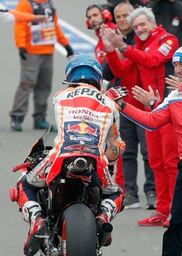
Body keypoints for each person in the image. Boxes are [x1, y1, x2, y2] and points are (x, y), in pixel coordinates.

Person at [107, 40, 182, 255]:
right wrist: (122, 105)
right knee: (176, 223)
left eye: (181, 64)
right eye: (174, 65)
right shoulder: (176, 95)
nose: (177, 69)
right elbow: (152, 121)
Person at [13, 54, 125, 256]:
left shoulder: (60, 95)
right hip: (95, 160)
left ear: (70, 76)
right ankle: (102, 218)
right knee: (116, 193)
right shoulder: (111, 104)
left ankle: (37, 219)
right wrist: (110, 158)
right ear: (98, 78)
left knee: (25, 183)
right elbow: (116, 148)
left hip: (60, 155)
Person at [101, 6, 179, 216]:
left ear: (153, 22)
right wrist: (111, 49)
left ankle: (176, 211)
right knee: (156, 161)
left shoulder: (167, 39)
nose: (140, 28)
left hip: (169, 108)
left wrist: (123, 47)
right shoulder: (138, 47)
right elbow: (121, 71)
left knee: (170, 162)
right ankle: (163, 211)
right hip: (150, 110)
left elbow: (153, 60)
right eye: (136, 26)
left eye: (143, 24)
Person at [10, 0, 74, 132]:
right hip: (31, 51)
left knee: (44, 86)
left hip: (47, 51)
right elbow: (20, 25)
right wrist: (21, 46)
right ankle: (17, 116)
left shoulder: (48, 3)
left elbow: (54, 25)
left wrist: (65, 44)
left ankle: (40, 118)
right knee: (27, 83)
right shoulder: (26, 3)